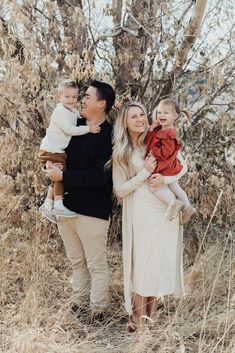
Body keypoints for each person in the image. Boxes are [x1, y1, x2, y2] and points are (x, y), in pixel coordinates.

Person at [112, 101, 187, 332]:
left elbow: (183, 166)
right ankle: (136, 320)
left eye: (142, 114)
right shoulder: (122, 151)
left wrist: (164, 180)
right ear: (124, 122)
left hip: (164, 209)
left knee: (156, 263)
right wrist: (145, 172)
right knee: (141, 265)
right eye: (133, 116)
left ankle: (150, 320)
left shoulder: (157, 138)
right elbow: (120, 190)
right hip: (141, 211)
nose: (140, 119)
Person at [45, 80, 115, 318]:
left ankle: (98, 313)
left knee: (96, 265)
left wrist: (63, 175)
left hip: (93, 211)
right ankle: (79, 307)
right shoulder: (73, 125)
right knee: (77, 263)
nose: (81, 100)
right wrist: (51, 165)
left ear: (102, 103)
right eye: (81, 96)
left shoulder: (110, 136)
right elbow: (57, 151)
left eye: (87, 96)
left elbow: (100, 176)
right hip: (66, 207)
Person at [38, 79, 100, 223]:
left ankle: (47, 204)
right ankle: (58, 204)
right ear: (59, 96)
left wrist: (83, 116)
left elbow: (76, 116)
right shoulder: (59, 111)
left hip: (55, 150)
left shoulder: (70, 110)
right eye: (67, 97)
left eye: (74, 97)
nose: (71, 100)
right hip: (51, 150)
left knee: (55, 175)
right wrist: (88, 129)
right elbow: (69, 129)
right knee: (60, 175)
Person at [146, 99, 196, 224]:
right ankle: (188, 207)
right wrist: (152, 128)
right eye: (159, 112)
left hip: (164, 166)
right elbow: (151, 137)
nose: (161, 115)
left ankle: (173, 203)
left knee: (153, 187)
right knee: (176, 187)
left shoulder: (169, 134)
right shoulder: (162, 129)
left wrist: (154, 151)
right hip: (169, 167)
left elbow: (166, 151)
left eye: (166, 113)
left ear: (175, 116)